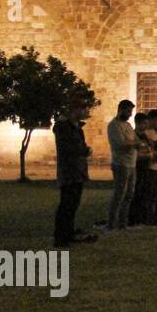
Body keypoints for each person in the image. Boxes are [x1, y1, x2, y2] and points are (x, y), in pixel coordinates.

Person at [53, 103, 95, 247]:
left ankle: (68, 233)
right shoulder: (63, 127)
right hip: (69, 171)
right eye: (82, 108)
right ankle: (61, 237)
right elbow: (69, 147)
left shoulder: (77, 128)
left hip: (78, 171)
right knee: (67, 204)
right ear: (73, 110)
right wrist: (84, 150)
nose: (85, 111)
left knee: (73, 204)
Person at [106, 98, 138, 230]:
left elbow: (136, 140)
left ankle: (122, 222)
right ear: (121, 110)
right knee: (119, 194)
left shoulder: (128, 126)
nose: (130, 114)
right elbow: (120, 144)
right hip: (121, 164)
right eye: (128, 111)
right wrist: (135, 144)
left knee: (129, 194)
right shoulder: (114, 125)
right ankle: (111, 223)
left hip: (131, 164)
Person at [130, 111, 157, 226]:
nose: (146, 126)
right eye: (144, 123)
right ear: (138, 123)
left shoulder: (145, 136)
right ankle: (134, 218)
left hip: (146, 166)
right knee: (136, 193)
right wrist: (149, 154)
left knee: (145, 193)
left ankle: (143, 217)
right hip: (138, 166)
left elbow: (150, 148)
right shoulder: (134, 135)